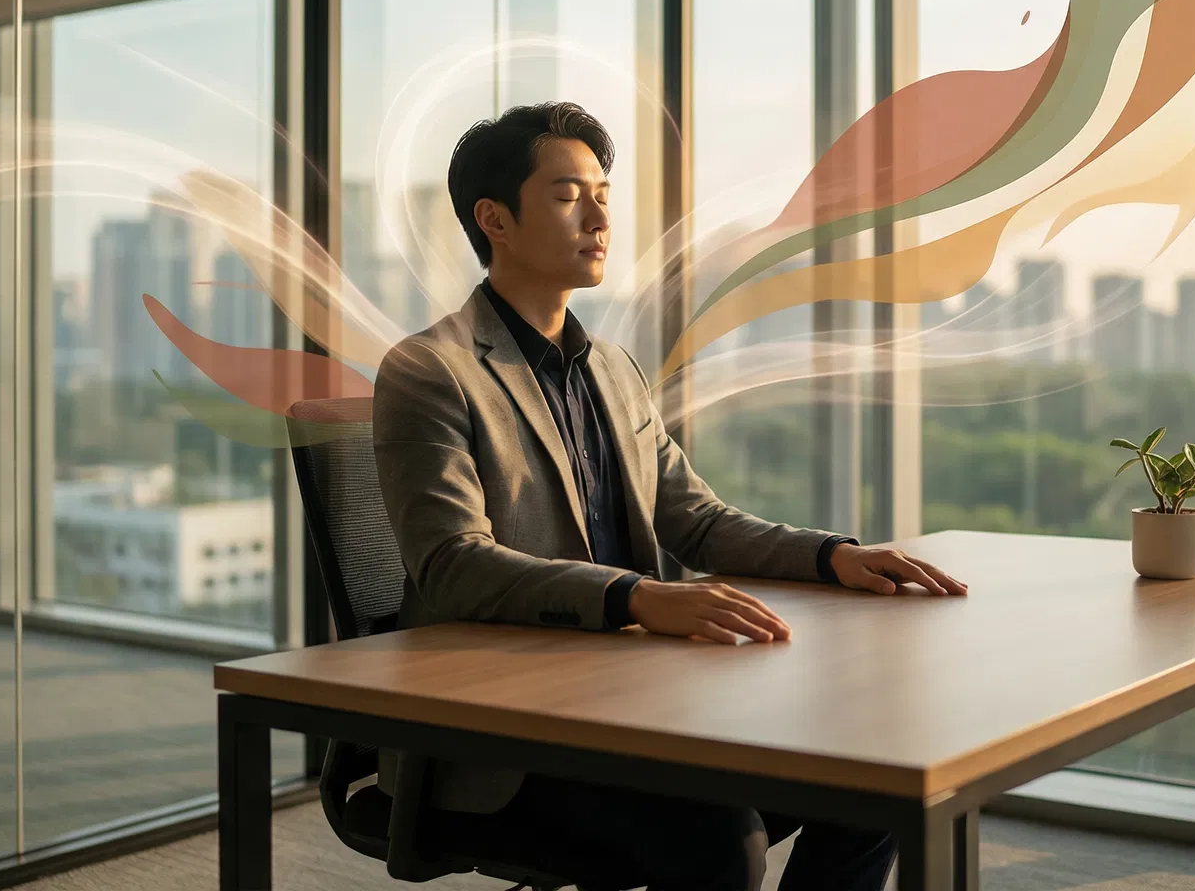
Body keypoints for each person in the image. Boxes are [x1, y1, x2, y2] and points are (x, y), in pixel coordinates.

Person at [373, 101, 968, 890]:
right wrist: (637, 598)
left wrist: (832, 556)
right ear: (496, 220)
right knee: (721, 841)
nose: (598, 216)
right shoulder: (429, 371)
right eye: (566, 195)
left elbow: (696, 518)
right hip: (509, 737)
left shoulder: (613, 368)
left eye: (603, 193)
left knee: (876, 779)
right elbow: (454, 565)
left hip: (648, 698)